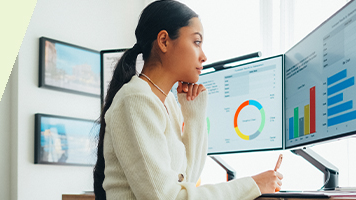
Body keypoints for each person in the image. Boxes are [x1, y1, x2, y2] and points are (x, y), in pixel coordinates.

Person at [93, 1, 283, 199]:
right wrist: (252, 185)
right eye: (197, 42)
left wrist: (194, 113)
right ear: (164, 41)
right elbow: (167, 197)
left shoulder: (167, 103)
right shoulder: (135, 100)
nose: (204, 56)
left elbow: (186, 181)